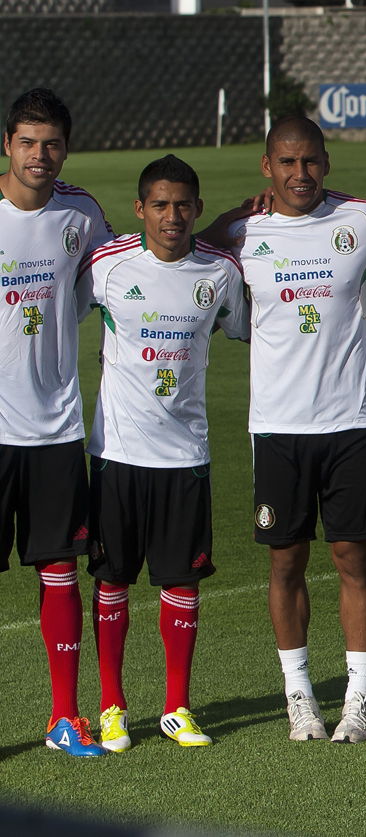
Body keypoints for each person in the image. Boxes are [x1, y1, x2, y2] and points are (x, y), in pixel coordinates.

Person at [218, 116, 366, 744]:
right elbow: (197, 256)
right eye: (287, 163)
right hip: (276, 426)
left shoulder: (363, 222)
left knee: (353, 557)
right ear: (266, 166)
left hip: (350, 419)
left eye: (311, 163)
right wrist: (221, 221)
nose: (300, 175)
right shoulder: (241, 235)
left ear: (326, 162)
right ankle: (300, 697)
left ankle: (358, 698)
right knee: (285, 563)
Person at [81, 154, 249, 751]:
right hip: (117, 454)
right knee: (113, 579)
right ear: (139, 210)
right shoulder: (105, 265)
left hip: (186, 457)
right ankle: (111, 707)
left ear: (197, 210)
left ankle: (178, 706)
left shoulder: (220, 274)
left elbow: (248, 329)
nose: (171, 216)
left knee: (181, 583)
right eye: (160, 204)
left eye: (182, 205)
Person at [0, 87, 113, 757]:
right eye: (27, 142)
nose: (40, 155)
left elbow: (115, 271)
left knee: (60, 568)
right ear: (7, 145)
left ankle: (65, 717)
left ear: (65, 148)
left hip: (53, 429)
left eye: (52, 143)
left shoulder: (81, 215)